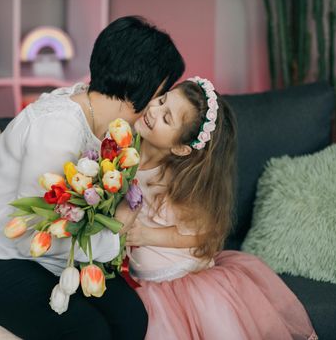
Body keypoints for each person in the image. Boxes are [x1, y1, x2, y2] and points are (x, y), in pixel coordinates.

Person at [0, 16, 185, 340]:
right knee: (88, 331)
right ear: (140, 82)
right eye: (161, 90)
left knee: (132, 317)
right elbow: (37, 235)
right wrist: (117, 232)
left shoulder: (102, 115)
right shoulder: (56, 129)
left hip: (44, 258)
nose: (158, 102)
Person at [116, 77, 318, 340]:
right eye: (162, 100)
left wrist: (149, 236)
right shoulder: (126, 146)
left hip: (180, 282)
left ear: (180, 147)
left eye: (167, 118)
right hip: (143, 278)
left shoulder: (176, 182)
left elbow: (206, 235)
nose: (153, 110)